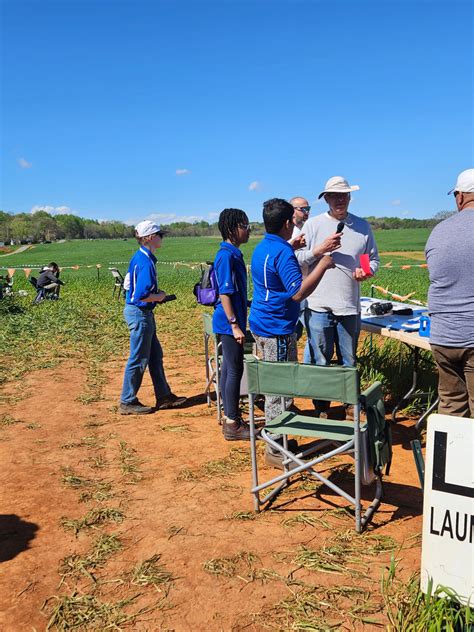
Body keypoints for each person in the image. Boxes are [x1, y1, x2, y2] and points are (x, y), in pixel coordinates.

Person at [249, 198, 336, 467]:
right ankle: (276, 449)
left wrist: (290, 246)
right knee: (281, 388)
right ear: (288, 223)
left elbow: (276, 266)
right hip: (277, 328)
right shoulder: (282, 253)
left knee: (271, 384)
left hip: (261, 323)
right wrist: (322, 264)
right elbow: (298, 292)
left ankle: (277, 439)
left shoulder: (263, 247)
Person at [300, 176, 379, 418]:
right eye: (334, 196)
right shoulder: (312, 226)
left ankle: (350, 404)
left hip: (349, 306)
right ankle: (322, 407)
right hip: (318, 305)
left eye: (343, 195)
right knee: (321, 360)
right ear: (326, 199)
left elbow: (371, 260)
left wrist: (365, 271)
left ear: (350, 197)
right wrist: (320, 250)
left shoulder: (363, 227)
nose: (340, 200)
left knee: (349, 360)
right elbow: (297, 258)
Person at [119, 220, 187, 415]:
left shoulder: (142, 258)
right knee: (139, 358)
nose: (161, 238)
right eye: (159, 235)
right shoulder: (145, 262)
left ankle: (164, 395)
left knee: (155, 356)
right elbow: (141, 295)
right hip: (140, 313)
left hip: (141, 313)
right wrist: (160, 296)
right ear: (149, 238)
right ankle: (127, 401)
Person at [425, 168, 474, 418]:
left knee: (452, 403)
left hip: (443, 336)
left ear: (460, 196)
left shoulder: (439, 231)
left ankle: (449, 457)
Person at [212, 208, 251, 440]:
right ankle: (232, 424)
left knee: (228, 367)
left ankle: (230, 416)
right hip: (229, 323)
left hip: (229, 320)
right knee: (234, 369)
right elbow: (225, 293)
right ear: (231, 228)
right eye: (244, 225)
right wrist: (235, 324)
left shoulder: (232, 253)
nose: (248, 230)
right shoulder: (226, 255)